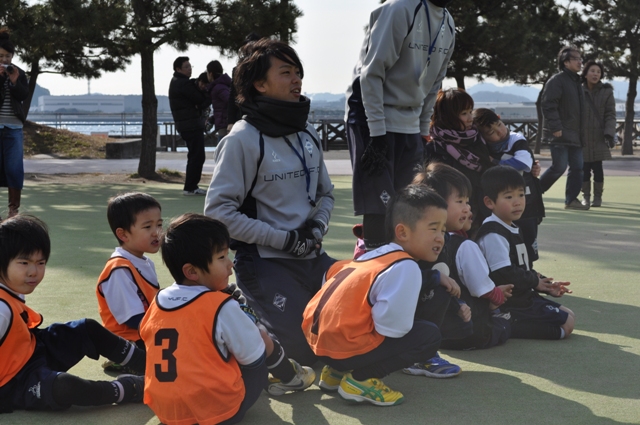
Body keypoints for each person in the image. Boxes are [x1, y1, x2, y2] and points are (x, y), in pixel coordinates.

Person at [204, 39, 335, 366]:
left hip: (313, 255)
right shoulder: (241, 139)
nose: (297, 79)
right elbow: (218, 213)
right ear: (259, 84)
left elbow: (326, 194)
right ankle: (240, 310)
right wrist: (286, 240)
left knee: (353, 327)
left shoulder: (308, 132)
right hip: (265, 261)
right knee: (304, 352)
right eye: (286, 72)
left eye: (298, 72)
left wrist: (316, 228)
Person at [140, 214, 315, 425]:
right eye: (221, 257)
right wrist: (245, 317)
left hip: (166, 411)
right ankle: (290, 376)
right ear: (192, 271)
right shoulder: (221, 305)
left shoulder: (158, 300)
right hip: (217, 413)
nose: (230, 264)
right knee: (260, 336)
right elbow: (253, 356)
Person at [302, 185, 445, 406]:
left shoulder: (367, 257)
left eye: (443, 230)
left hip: (319, 347)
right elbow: (391, 327)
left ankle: (335, 373)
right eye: (433, 229)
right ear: (402, 232)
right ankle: (360, 379)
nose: (440, 238)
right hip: (344, 350)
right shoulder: (405, 265)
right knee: (428, 336)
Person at [0, 215, 146, 413]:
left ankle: (152, 366)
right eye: (24, 263)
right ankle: (129, 388)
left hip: (31, 348)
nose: (34, 271)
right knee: (64, 387)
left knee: (86, 328)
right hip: (13, 383)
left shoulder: (11, 284)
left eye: (40, 262)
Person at [345, 0, 456, 251]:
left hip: (410, 123)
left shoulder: (448, 23)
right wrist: (377, 133)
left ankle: (405, 267)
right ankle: (373, 263)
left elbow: (434, 83)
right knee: (380, 206)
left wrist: (423, 131)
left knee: (409, 203)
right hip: (371, 116)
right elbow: (371, 72)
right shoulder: (399, 9)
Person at [413, 163, 513, 350]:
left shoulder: (416, 243)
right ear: (436, 204)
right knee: (505, 321)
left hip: (430, 333)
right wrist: (498, 297)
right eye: (460, 201)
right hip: (467, 332)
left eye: (467, 202)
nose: (467, 208)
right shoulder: (464, 245)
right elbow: (483, 289)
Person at [476, 166, 575, 340]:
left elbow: (521, 267)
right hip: (510, 302)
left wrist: (545, 284)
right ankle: (506, 323)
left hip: (524, 296)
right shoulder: (494, 233)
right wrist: (535, 282)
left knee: (569, 315)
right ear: (490, 202)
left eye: (521, 195)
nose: (517, 202)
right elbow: (504, 273)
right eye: (509, 197)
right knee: (566, 325)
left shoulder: (512, 226)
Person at [96, 192, 162, 373]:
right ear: (123, 234)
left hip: (144, 332)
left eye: (159, 224)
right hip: (129, 341)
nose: (156, 232)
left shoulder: (144, 262)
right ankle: (123, 360)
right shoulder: (119, 269)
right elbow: (133, 319)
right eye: (147, 226)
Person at [473, 108, 545, 265]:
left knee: (527, 250)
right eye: (491, 132)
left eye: (499, 124)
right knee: (504, 250)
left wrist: (495, 162)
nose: (500, 132)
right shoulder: (481, 149)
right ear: (482, 137)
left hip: (528, 206)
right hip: (498, 211)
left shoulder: (516, 139)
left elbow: (523, 163)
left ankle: (529, 274)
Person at [425, 88, 495, 234]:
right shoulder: (434, 148)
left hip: (483, 212)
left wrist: (532, 165)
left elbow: (503, 153)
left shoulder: (478, 138)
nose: (470, 118)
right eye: (464, 113)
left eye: (470, 111)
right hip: (450, 221)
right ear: (448, 116)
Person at [539, 46, 589, 210]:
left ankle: (571, 200)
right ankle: (533, 193)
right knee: (558, 167)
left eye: (580, 59)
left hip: (575, 134)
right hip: (559, 133)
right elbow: (548, 105)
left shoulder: (577, 82)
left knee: (578, 168)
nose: (580, 62)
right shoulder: (557, 80)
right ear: (566, 62)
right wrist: (555, 126)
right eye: (576, 59)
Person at [168, 56, 211, 196]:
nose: (189, 69)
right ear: (178, 69)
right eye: (186, 67)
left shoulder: (177, 82)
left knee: (194, 155)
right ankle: (191, 187)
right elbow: (199, 99)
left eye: (190, 66)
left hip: (185, 124)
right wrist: (208, 96)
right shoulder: (183, 83)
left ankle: (191, 186)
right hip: (191, 124)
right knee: (197, 156)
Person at [0, 28, 28, 220]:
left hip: (14, 127)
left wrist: (14, 81)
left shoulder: (19, 73)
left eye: (8, 56)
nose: (5, 59)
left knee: (14, 168)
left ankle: (13, 211)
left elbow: (23, 95)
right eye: (1, 56)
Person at [580, 60, 616, 208]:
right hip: (581, 136)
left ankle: (598, 197)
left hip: (599, 136)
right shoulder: (578, 90)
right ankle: (586, 197)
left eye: (598, 72)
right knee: (584, 168)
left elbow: (610, 114)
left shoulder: (606, 92)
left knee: (598, 168)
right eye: (592, 71)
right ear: (585, 73)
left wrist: (609, 133)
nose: (595, 74)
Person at [227, 32, 262, 132]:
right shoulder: (238, 70)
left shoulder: (265, 68)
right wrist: (230, 121)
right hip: (242, 116)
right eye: (248, 46)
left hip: (261, 115)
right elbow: (233, 96)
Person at [206, 60, 232, 142]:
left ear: (210, 74)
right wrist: (213, 118)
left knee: (222, 148)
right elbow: (222, 108)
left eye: (207, 73)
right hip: (224, 124)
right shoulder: (223, 85)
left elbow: (230, 101)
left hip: (225, 126)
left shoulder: (218, 88)